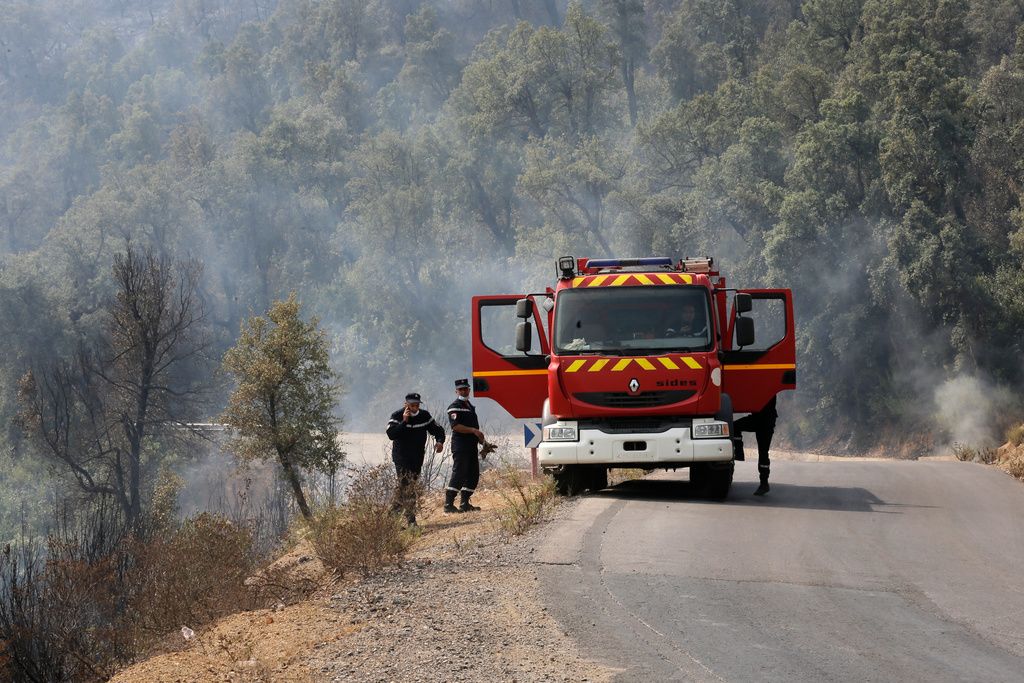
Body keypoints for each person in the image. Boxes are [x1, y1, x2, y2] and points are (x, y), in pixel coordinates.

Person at [386, 392, 445, 525]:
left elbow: (438, 430)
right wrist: (404, 421)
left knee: (405, 487)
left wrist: (440, 441)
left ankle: (391, 518)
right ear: (406, 404)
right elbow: (391, 434)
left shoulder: (424, 416)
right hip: (401, 457)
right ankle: (411, 520)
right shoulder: (396, 416)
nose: (415, 407)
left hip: (417, 457)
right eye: (412, 405)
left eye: (417, 405)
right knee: (408, 487)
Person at [444, 378, 486, 513]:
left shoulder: (470, 407)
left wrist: (483, 442)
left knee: (473, 475)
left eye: (465, 388)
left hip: (471, 446)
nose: (463, 391)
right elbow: (455, 426)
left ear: (469, 389)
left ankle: (464, 503)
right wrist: (473, 430)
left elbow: (475, 428)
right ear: (456, 391)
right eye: (461, 389)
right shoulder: (454, 406)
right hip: (460, 446)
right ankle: (448, 504)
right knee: (459, 474)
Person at [732, 395, 777, 496]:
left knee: (763, 452)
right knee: (735, 426)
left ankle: (764, 483)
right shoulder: (760, 385)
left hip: (766, 421)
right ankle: (739, 452)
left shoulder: (770, 387)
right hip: (757, 419)